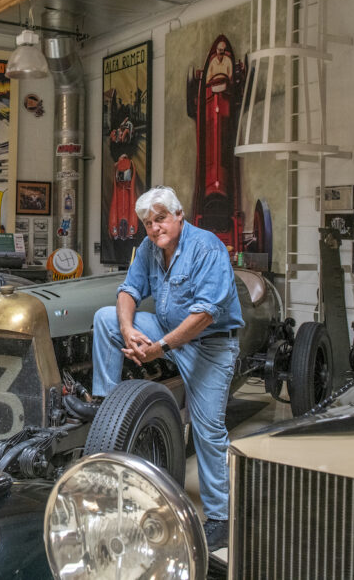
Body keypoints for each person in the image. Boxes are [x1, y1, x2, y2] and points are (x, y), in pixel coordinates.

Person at [67, 186, 243, 552]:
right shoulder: (150, 248)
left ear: (179, 215)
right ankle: (105, 401)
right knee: (106, 319)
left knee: (207, 429)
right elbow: (128, 290)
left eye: (160, 218)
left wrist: (158, 348)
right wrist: (130, 329)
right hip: (165, 330)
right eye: (148, 223)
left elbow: (204, 314)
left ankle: (222, 518)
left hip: (208, 343)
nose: (154, 228)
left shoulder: (207, 247)